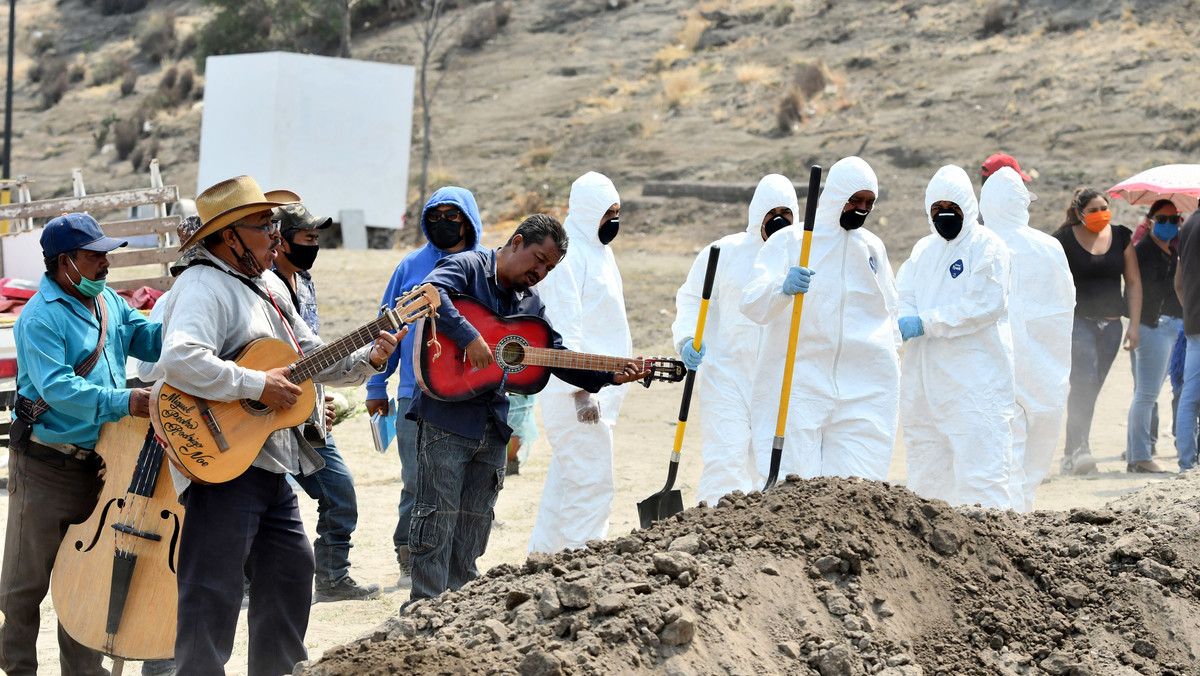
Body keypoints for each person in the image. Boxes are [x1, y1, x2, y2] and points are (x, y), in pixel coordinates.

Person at [155, 175, 399, 676]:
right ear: (229, 236)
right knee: (213, 593)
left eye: (272, 223)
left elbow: (308, 355)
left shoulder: (266, 286)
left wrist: (367, 359)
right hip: (223, 463)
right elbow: (180, 359)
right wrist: (254, 385)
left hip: (267, 461)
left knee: (290, 572)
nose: (274, 235)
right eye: (263, 225)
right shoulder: (202, 285)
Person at [405, 214, 648, 602]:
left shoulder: (531, 302)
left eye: (549, 268)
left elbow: (553, 356)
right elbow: (428, 293)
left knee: (474, 526)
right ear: (516, 242)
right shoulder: (468, 266)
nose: (540, 272)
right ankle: (422, 612)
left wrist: (608, 375)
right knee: (436, 521)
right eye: (537, 259)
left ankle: (459, 615)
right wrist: (468, 337)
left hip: (493, 425)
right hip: (446, 418)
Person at [0, 213, 162, 676]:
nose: (105, 264)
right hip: (46, 465)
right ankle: (18, 670)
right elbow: (59, 390)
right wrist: (126, 400)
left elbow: (147, 338)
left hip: (103, 467)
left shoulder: (108, 299)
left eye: (105, 254)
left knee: (86, 579)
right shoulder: (38, 317)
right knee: (23, 585)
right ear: (64, 263)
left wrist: (185, 322)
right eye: (94, 256)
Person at [740, 157, 901, 483]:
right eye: (855, 200)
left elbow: (890, 313)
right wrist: (781, 288)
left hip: (862, 388)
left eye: (869, 202)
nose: (862, 208)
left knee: (856, 493)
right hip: (798, 385)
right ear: (837, 196)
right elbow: (751, 302)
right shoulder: (791, 242)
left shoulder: (871, 247)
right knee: (793, 489)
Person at [364, 186, 486, 584]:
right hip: (414, 394)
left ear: (469, 221)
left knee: (461, 485)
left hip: (469, 395)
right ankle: (408, 556)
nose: (444, 224)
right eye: (435, 216)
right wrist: (376, 388)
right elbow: (387, 329)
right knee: (417, 481)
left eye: (453, 216)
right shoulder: (410, 267)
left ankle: (454, 564)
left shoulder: (483, 266)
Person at [271, 203, 383, 600]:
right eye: (307, 238)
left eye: (317, 239)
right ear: (279, 240)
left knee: (340, 492)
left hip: (307, 416)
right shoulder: (262, 287)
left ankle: (333, 578)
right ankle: (250, 582)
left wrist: (321, 399)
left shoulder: (306, 281)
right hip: (266, 414)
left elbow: (310, 354)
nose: (314, 245)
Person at [671, 174, 796, 505]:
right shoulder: (723, 252)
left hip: (780, 381)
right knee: (726, 462)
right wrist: (685, 338)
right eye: (772, 213)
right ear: (757, 214)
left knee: (776, 469)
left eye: (787, 212)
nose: (779, 220)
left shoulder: (802, 255)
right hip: (727, 376)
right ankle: (714, 540)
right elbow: (691, 299)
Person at [897, 165, 1015, 510]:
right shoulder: (922, 251)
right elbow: (905, 293)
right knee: (928, 484)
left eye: (952, 207)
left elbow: (984, 304)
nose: (943, 215)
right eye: (936, 208)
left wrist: (927, 322)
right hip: (926, 386)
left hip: (976, 386)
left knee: (982, 482)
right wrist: (906, 317)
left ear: (968, 206)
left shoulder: (987, 245)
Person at [528, 172, 632, 554]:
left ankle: (542, 561)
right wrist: (582, 389)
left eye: (617, 212)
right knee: (590, 483)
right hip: (575, 393)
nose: (614, 222)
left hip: (596, 387)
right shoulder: (567, 256)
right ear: (590, 212)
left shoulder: (599, 252)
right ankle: (581, 566)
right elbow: (564, 328)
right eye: (609, 213)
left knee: (566, 482)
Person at [979, 166, 1075, 511]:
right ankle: (1022, 509)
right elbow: (1066, 305)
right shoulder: (1049, 246)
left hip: (995, 362)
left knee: (1006, 447)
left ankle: (1012, 514)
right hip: (1044, 366)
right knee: (1037, 445)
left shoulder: (978, 244)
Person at [1052, 188, 1142, 475]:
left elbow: (1134, 281)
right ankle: (1080, 450)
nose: (1101, 213)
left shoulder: (1121, 236)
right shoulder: (1063, 240)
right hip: (1079, 322)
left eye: (1105, 207)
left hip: (1113, 324)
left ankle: (1071, 453)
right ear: (1079, 213)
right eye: (1093, 209)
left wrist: (1134, 325)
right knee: (1085, 380)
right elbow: (1052, 283)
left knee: (1094, 384)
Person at [1123, 199, 1182, 474]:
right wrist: (1134, 327)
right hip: (1152, 327)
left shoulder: (1170, 250)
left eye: (1174, 220)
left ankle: (1139, 455)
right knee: (1146, 395)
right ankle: (1140, 457)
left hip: (1168, 326)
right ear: (1149, 221)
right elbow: (1137, 291)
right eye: (1162, 219)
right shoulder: (1144, 250)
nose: (1168, 224)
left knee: (1147, 394)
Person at [1174, 209, 1200, 471]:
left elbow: (1179, 283)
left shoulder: (1190, 223)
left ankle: (1186, 464)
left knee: (1190, 395)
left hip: (1193, 321)